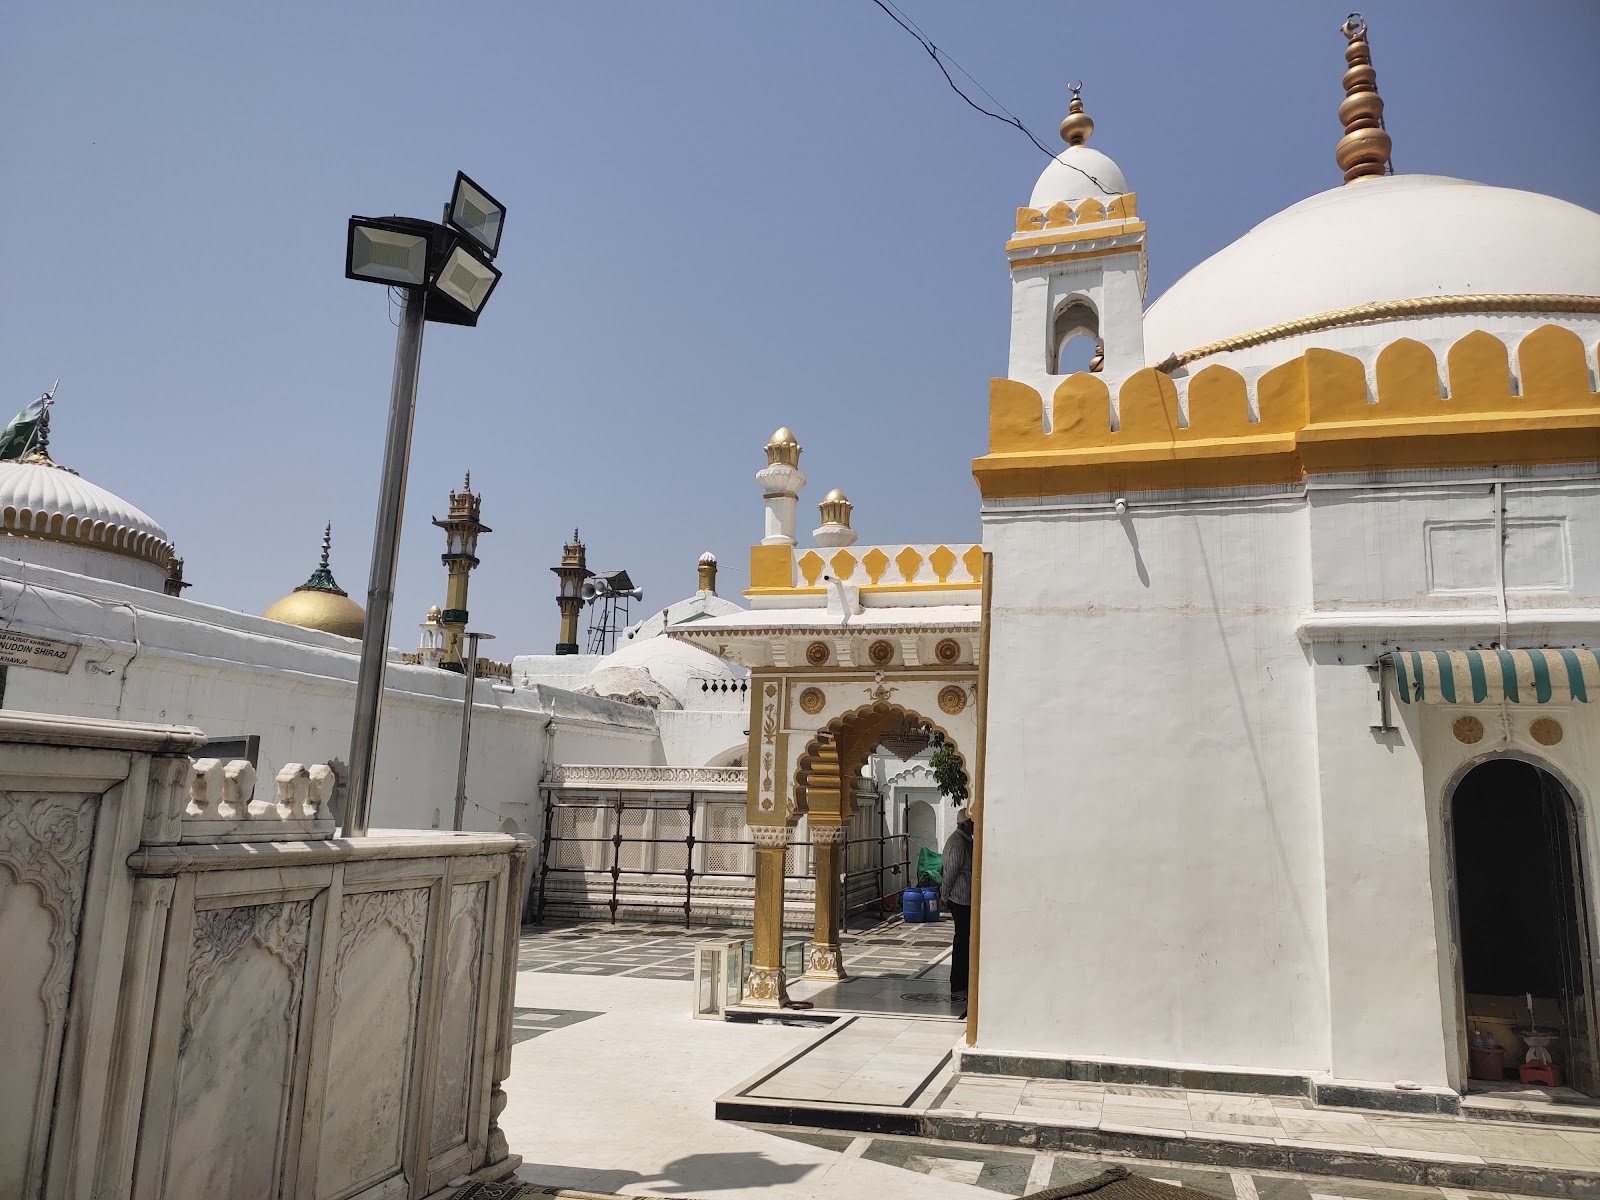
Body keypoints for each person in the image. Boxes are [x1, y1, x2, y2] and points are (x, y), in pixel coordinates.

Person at [940, 807, 974, 1000]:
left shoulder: (965, 841)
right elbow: (950, 874)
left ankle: (964, 982)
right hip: (960, 901)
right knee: (962, 942)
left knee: (966, 941)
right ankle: (958, 984)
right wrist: (944, 897)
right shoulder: (959, 844)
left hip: (965, 900)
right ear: (965, 824)